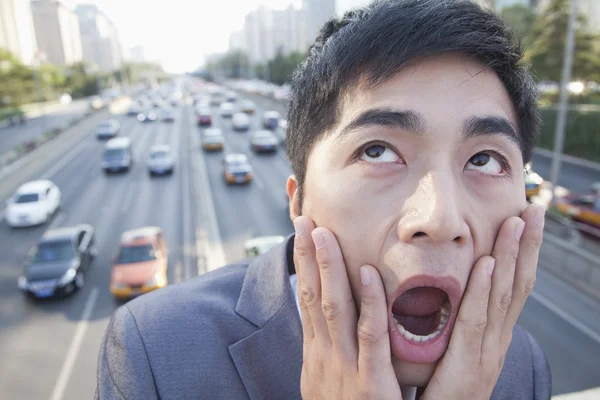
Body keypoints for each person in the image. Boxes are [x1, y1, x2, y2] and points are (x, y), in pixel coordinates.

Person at [95, 0, 551, 398]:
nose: (440, 218)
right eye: (377, 151)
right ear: (299, 203)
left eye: (486, 160)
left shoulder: (524, 368)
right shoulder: (156, 354)